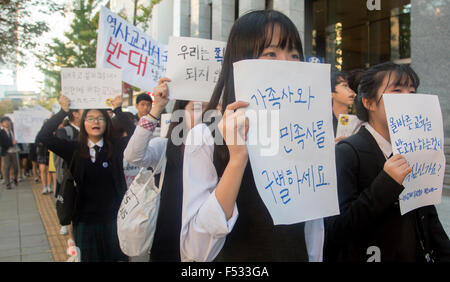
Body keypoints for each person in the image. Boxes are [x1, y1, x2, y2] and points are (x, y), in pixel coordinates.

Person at [180, 9, 323, 262]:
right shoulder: (204, 136)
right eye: (271, 53)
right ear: (241, 59)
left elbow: (312, 228)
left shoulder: (307, 132)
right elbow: (195, 250)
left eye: (294, 55)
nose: (287, 64)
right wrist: (237, 159)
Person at [324, 61, 450, 262]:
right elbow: (336, 228)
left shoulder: (415, 148)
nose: (408, 99)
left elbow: (427, 215)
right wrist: (386, 183)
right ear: (369, 102)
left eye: (412, 92)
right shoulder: (348, 152)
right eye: (397, 91)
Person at [36, 94, 134, 262]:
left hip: (114, 220)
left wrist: (118, 109)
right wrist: (62, 112)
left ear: (106, 122)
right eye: (90, 118)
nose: (95, 122)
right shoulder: (74, 149)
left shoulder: (116, 147)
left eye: (100, 118)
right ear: (83, 123)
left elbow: (136, 133)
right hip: (84, 221)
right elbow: (43, 137)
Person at [124, 78, 207, 261]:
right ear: (180, 113)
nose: (204, 116)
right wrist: (156, 108)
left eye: (211, 109)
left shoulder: (224, 154)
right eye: (195, 108)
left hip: (205, 248)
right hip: (168, 246)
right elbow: (133, 156)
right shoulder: (164, 148)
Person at [54, 109, 83, 235]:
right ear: (75, 113)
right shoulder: (64, 131)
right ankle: (65, 223)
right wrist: (62, 111)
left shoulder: (90, 130)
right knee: (68, 201)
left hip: (86, 177)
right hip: (69, 175)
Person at [331, 71, 360, 144]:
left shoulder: (358, 119)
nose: (350, 91)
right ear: (331, 93)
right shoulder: (324, 122)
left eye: (350, 86)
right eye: (344, 85)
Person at [0, 117, 19, 190]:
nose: (7, 123)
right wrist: (12, 143)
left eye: (8, 121)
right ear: (2, 124)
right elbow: (2, 143)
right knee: (6, 167)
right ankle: (8, 184)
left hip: (14, 151)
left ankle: (15, 178)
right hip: (6, 152)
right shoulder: (1, 132)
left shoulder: (13, 131)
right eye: (5, 122)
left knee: (16, 167)